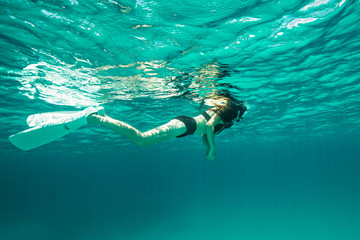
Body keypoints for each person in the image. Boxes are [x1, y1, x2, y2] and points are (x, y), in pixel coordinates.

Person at [87, 96, 247, 160]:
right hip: (186, 124)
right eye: (242, 116)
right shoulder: (229, 110)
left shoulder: (229, 120)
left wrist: (207, 149)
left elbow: (205, 133)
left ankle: (103, 117)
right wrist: (212, 150)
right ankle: (96, 118)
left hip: (186, 127)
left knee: (141, 140)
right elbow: (209, 125)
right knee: (141, 140)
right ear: (239, 110)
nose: (239, 120)